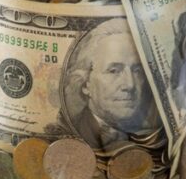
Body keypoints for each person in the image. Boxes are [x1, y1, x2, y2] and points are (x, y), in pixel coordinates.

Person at [63, 18, 157, 146]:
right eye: (114, 71)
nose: (129, 84)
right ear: (86, 84)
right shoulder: (75, 131)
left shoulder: (153, 131)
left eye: (137, 70)